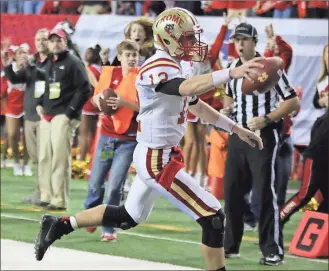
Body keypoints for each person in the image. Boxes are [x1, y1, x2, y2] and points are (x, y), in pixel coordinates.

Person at [34, 8, 264, 271]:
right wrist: (230, 73)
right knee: (212, 215)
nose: (193, 44)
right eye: (187, 38)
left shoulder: (181, 63)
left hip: (157, 154)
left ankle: (60, 224)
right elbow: (186, 88)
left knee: (127, 216)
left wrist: (236, 129)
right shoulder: (158, 65)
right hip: (157, 159)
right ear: (168, 39)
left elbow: (195, 104)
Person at [222, 23, 299, 266]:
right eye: (236, 39)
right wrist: (227, 109)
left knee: (265, 191)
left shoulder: (270, 66)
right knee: (232, 190)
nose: (239, 44)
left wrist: (267, 118)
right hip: (238, 134)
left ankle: (272, 250)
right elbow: (229, 95)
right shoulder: (232, 68)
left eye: (244, 39)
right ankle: (230, 246)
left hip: (264, 135)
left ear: (254, 42)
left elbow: (292, 101)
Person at [84, 40, 140, 242]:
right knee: (96, 182)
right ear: (120, 56)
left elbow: (146, 109)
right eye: (128, 55)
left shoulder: (142, 77)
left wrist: (124, 103)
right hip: (107, 136)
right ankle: (90, 215)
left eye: (135, 55)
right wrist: (97, 100)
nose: (132, 58)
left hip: (128, 139)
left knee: (116, 185)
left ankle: (109, 227)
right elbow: (94, 99)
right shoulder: (109, 73)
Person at [35, 28, 91, 211]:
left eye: (59, 40)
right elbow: (42, 84)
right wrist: (38, 103)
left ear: (65, 42)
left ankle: (59, 199)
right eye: (52, 41)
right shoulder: (49, 63)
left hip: (63, 115)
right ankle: (46, 195)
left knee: (59, 158)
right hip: (47, 114)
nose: (55, 43)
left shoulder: (73, 62)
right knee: (44, 156)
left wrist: (69, 113)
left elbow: (85, 89)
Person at [280, 44, 329, 223]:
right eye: (326, 54)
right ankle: (274, 224)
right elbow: (317, 102)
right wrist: (323, 101)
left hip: (321, 140)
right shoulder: (322, 79)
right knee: (305, 194)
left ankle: (319, 231)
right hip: (320, 144)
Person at [3, 28, 50, 204]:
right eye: (38, 39)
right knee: (36, 156)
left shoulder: (54, 62)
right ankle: (40, 193)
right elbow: (15, 80)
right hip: (30, 114)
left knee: (47, 156)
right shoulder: (32, 64)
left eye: (44, 39)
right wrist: (7, 64)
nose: (41, 42)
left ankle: (51, 194)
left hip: (48, 116)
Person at [0, 41, 32, 176]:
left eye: (25, 53)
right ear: (15, 56)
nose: (23, 55)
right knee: (12, 135)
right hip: (12, 105)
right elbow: (3, 90)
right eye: (20, 53)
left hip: (28, 105)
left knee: (28, 137)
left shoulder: (32, 68)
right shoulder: (9, 69)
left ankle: (26, 164)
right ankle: (17, 163)